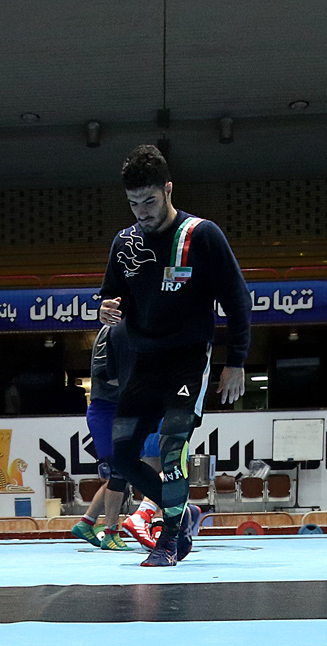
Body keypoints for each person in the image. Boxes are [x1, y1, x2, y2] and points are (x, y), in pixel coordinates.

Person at [97, 143, 251, 567]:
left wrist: (236, 361)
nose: (141, 212)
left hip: (188, 358)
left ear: (168, 189)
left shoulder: (202, 235)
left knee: (171, 447)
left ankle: (167, 541)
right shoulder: (125, 243)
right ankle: (181, 515)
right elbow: (112, 296)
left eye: (149, 201)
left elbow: (237, 301)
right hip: (143, 361)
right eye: (133, 204)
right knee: (122, 456)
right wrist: (106, 309)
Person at [73, 320, 136, 549]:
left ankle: (86, 522)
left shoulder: (128, 328)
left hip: (117, 409)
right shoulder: (113, 329)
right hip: (106, 411)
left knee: (119, 475)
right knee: (118, 474)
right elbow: (105, 373)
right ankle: (110, 532)